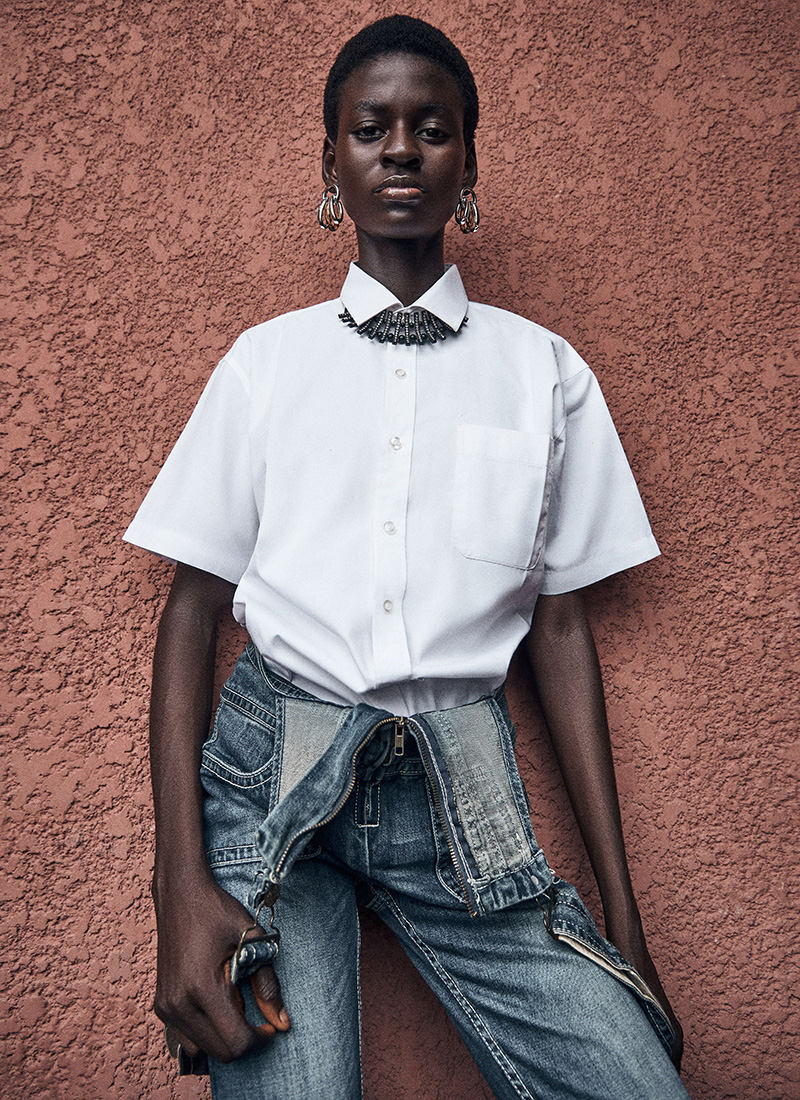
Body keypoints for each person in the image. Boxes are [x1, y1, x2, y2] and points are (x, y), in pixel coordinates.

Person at [124, 15, 691, 1100]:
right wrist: (178, 886)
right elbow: (189, 612)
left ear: (467, 165)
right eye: (369, 128)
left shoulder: (543, 373)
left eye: (431, 130)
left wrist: (624, 919)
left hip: (460, 795)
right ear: (330, 163)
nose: (399, 150)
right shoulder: (265, 365)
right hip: (274, 785)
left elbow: (560, 628)